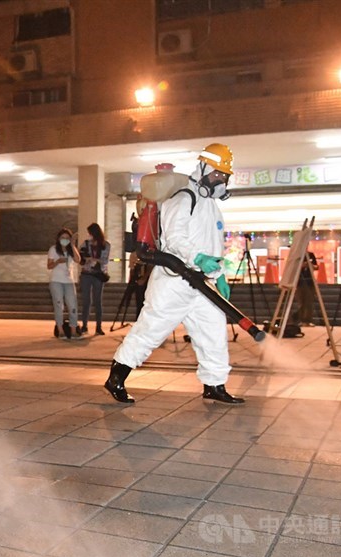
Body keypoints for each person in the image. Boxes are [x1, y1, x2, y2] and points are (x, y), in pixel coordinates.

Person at [104, 143, 245, 405]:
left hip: (203, 284)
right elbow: (174, 238)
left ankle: (214, 384)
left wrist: (220, 275)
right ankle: (116, 378)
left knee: (213, 332)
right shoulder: (183, 198)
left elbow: (214, 246)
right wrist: (198, 258)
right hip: (174, 281)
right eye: (216, 174)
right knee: (150, 331)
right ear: (203, 168)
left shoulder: (212, 207)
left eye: (224, 176)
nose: (220, 180)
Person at [47, 228, 81, 340]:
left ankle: (73, 329)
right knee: (58, 305)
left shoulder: (71, 249)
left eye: (67, 238)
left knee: (72, 306)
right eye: (63, 238)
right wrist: (57, 262)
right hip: (56, 280)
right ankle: (60, 330)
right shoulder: (53, 249)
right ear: (58, 238)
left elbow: (78, 259)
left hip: (69, 281)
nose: (64, 240)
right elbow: (49, 266)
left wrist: (72, 245)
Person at [79, 222, 110, 336]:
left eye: (90, 233)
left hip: (98, 274)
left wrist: (93, 259)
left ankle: (98, 327)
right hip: (86, 273)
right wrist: (85, 258)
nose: (89, 235)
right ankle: (84, 326)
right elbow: (80, 258)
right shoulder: (85, 244)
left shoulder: (105, 245)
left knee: (98, 300)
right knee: (86, 300)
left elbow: (105, 260)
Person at [293, 251, 319, 327]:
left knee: (309, 302)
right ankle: (300, 320)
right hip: (299, 282)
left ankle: (308, 320)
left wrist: (310, 265)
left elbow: (316, 266)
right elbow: (294, 267)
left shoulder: (311, 255)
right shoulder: (297, 254)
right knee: (300, 302)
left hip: (310, 282)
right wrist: (302, 265)